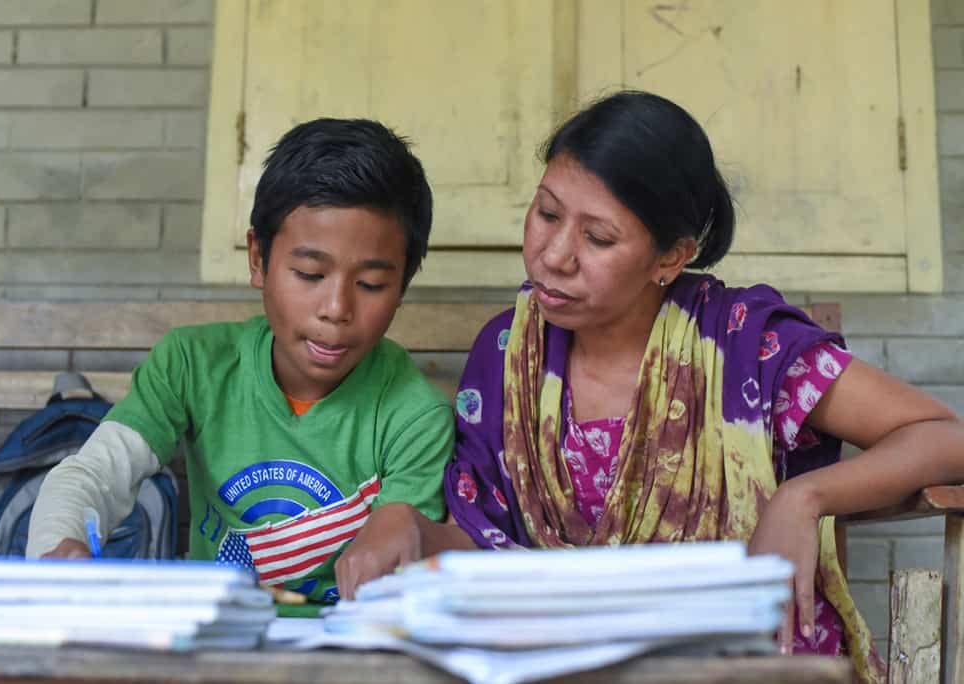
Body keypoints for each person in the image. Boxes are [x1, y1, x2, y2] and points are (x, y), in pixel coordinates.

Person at [355, 91, 964, 683]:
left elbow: (942, 435)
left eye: (597, 238)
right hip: (564, 664)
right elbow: (486, 544)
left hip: (747, 668)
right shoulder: (508, 355)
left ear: (670, 258)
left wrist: (802, 499)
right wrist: (407, 522)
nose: (553, 255)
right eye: (546, 214)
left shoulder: (744, 348)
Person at [25, 118, 454, 613]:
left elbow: (405, 581)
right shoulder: (193, 365)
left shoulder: (417, 418)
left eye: (372, 284)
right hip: (211, 640)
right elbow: (95, 475)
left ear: (404, 283)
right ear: (258, 258)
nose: (336, 308)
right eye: (310, 273)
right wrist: (60, 548)